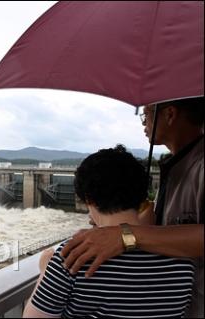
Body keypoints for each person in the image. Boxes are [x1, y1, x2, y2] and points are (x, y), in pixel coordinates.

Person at [59, 96, 204, 317]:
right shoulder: (178, 166)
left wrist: (124, 235)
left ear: (170, 114)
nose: (144, 124)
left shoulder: (200, 166)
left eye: (146, 114)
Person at [23, 145, 195, 318]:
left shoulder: (73, 256)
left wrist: (45, 271)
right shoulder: (182, 261)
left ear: (89, 199)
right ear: (143, 195)